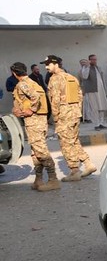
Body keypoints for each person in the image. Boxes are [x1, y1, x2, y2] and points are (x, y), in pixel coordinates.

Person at [43, 55, 96, 182]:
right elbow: (80, 96)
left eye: (48, 64)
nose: (46, 67)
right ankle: (88, 164)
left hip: (64, 116)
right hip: (75, 115)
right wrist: (77, 110)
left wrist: (55, 118)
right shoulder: (71, 77)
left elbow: (54, 101)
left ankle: (74, 171)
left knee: (66, 143)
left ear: (56, 64)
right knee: (74, 141)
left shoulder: (54, 79)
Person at [11, 62, 60, 192]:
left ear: (14, 73)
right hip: (40, 120)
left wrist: (31, 110)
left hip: (34, 121)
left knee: (41, 150)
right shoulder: (33, 82)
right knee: (35, 151)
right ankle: (38, 179)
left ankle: (53, 179)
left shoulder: (22, 84)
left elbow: (36, 97)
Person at [80, 54, 107, 130]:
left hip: (100, 91)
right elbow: (84, 76)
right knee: (94, 108)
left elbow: (101, 79)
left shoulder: (98, 68)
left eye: (95, 59)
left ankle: (101, 123)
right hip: (92, 91)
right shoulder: (86, 68)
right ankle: (96, 124)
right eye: (93, 59)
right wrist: (87, 66)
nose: (94, 61)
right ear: (89, 60)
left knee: (102, 107)